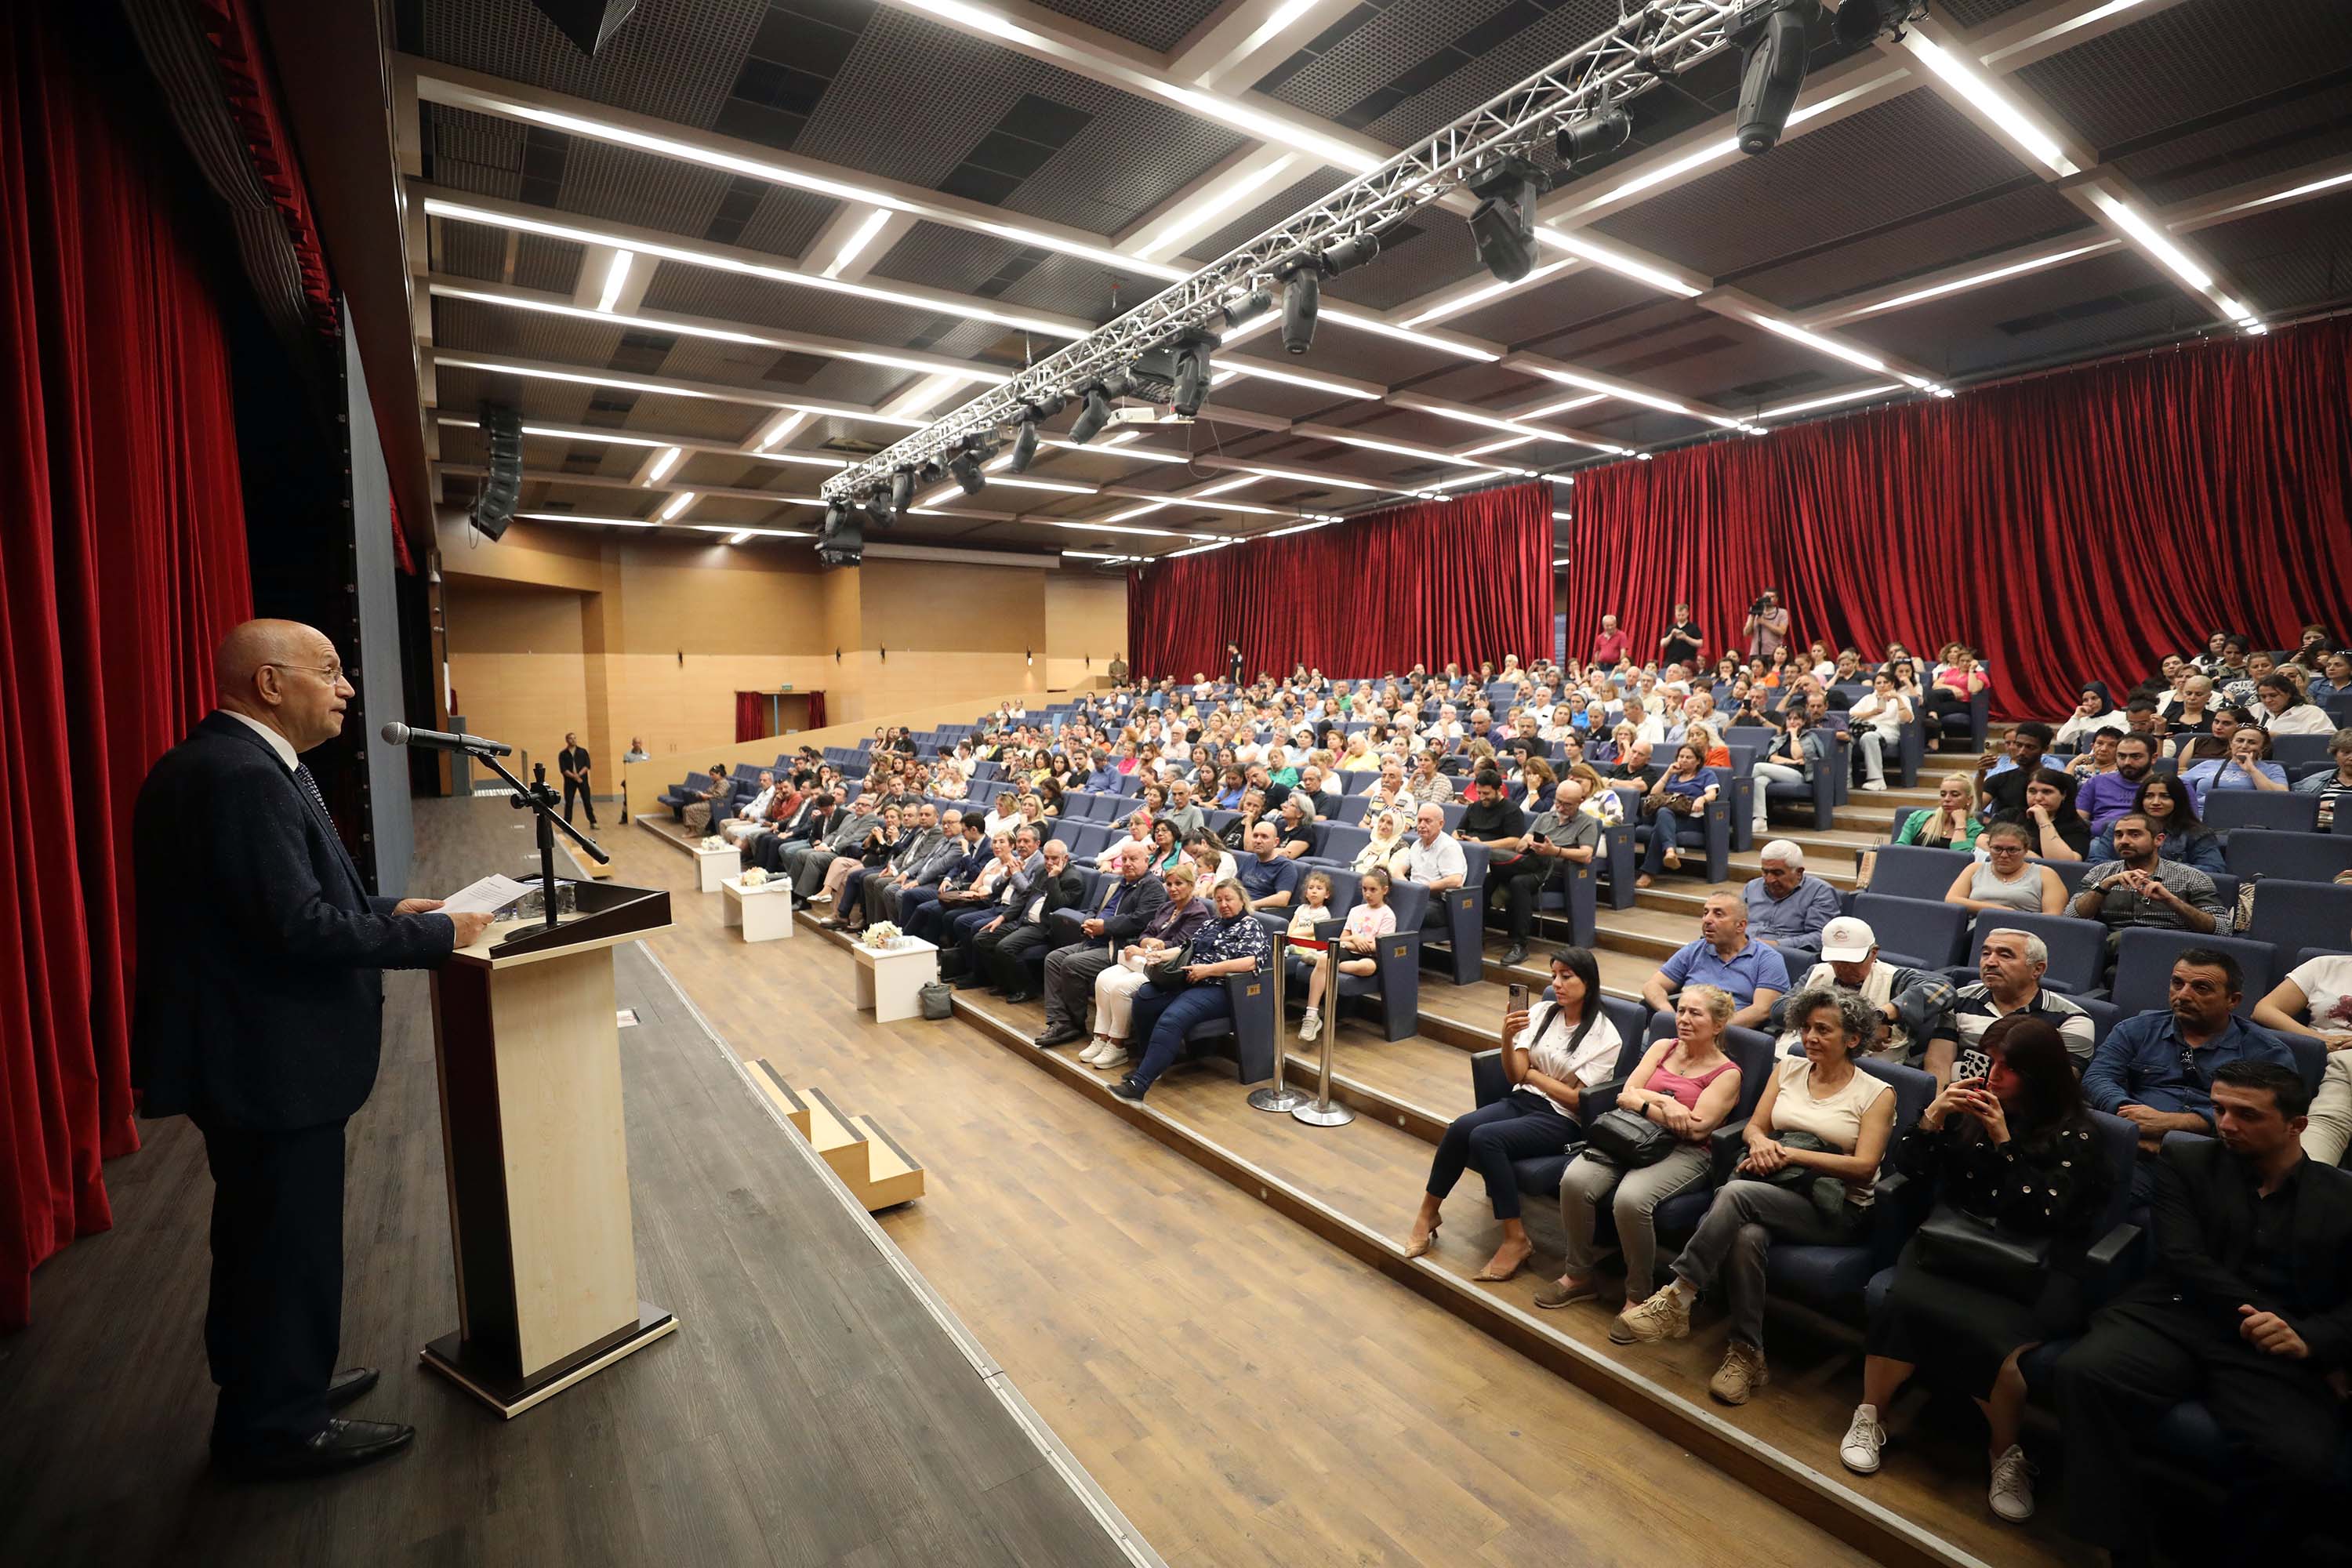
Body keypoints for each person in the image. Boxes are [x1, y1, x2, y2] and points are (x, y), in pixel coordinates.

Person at [132, 619, 497, 1479]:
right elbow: (291, 925)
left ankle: (275, 1386)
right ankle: (277, 1426)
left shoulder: (227, 764)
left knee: (264, 1238)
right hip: (269, 1061)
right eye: (329, 671)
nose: (346, 689)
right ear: (268, 682)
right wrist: (439, 935)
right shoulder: (240, 778)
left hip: (250, 1055)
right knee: (284, 1245)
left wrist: (388, 905)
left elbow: (281, 895)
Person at [2056, 1062, 2352, 1560]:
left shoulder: (2342, 1197)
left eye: (2246, 1114)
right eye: (2218, 1109)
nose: (2226, 1124)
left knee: (2303, 1463)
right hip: (2180, 1314)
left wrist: (2314, 1340)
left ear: (2296, 1124)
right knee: (2084, 1372)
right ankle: (2124, 1542)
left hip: (2272, 1350)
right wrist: (2274, 1318)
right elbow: (2184, 1260)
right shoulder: (2189, 1162)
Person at [1838, 1018, 2113, 1524]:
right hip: (1952, 1242)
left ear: (2040, 1074)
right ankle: (1871, 1413)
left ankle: (2005, 1453)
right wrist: (1933, 1118)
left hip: (2029, 1259)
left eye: (2010, 1067)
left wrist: (2004, 1140)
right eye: (1992, 1061)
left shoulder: (2077, 1132)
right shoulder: (1969, 1106)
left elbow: (2046, 1213)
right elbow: (1912, 1168)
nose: (1996, 1075)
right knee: (1901, 1302)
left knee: (1995, 1340)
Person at [1612, 986, 1895, 1406]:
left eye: (1824, 1030)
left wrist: (1787, 1152)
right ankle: (1748, 1354)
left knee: (1737, 1193)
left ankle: (1680, 1294)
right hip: (1780, 1190)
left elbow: (1865, 1166)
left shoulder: (1877, 1093)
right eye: (1807, 1027)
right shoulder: (1789, 1070)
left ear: (1853, 1039)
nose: (1811, 1037)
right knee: (1746, 1238)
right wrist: (1762, 1144)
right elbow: (1753, 1128)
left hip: (1838, 1209)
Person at [1404, 949, 1625, 1279]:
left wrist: (1534, 1075)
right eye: (1554, 976)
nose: (1557, 984)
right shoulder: (1540, 1011)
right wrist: (1507, 1038)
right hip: (1523, 1101)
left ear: (1588, 982)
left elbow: (1577, 1100)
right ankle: (1428, 1213)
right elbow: (1514, 1074)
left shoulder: (1605, 1035)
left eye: (1567, 976)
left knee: (1485, 1138)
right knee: (1461, 1128)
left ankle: (1515, 1238)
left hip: (1561, 1120)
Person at [1537, 985, 1744, 1312]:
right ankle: (1578, 1276)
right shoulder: (1662, 1046)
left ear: (1718, 1025)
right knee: (1575, 1180)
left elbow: (1695, 1128)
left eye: (1695, 1013)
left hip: (1686, 1152)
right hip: (1632, 1135)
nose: (1684, 1019)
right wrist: (1665, 1102)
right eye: (1681, 1011)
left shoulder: (1727, 1073)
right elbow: (1626, 1094)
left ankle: (1638, 1295)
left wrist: (1645, 1103)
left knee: (1631, 1200)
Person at [2085, 949, 2299, 1193]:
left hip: (2216, 1159)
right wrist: (2131, 1119)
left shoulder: (2265, 1051)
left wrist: (2175, 1125)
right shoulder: (2135, 1030)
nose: (2183, 995)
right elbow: (2097, 1077)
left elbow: (2268, 1115)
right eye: (2178, 983)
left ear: (2233, 1000)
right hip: (2134, 1146)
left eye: (2201, 988)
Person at [1109, 879, 1272, 1102]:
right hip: (1190, 980)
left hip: (1222, 989)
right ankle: (1151, 1065)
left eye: (1229, 899)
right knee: (1145, 998)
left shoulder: (1250, 925)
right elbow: (1186, 949)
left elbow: (1251, 962)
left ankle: (1139, 1084)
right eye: (1219, 900)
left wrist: (1209, 970)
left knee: (1172, 1018)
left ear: (1242, 900)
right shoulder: (1211, 924)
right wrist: (1158, 955)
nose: (1223, 904)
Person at [1076, 859, 1214, 1072]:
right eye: (1169, 884)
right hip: (1144, 961)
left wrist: (1145, 948)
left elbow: (1181, 945)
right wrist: (1147, 944)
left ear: (1191, 885)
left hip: (1166, 968)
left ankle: (1117, 1045)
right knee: (1104, 979)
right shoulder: (1167, 907)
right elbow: (1147, 933)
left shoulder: (1198, 912)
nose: (1173, 889)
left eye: (1179, 884)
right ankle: (1101, 1038)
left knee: (1121, 989)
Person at [1767, 916, 1953, 1067]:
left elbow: (1944, 990)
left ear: (1874, 953)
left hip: (1866, 1069)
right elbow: (1778, 1010)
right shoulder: (1818, 972)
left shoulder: (1894, 978)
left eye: (1852, 961)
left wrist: (1881, 1017)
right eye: (1836, 960)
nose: (1843, 968)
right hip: (1802, 1058)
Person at [1930, 927, 2096, 1080]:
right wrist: (1938, 1106)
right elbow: (1939, 1062)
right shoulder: (1959, 999)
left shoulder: (2072, 1019)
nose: (1990, 962)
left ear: (2037, 969)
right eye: (1986, 953)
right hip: (1954, 1099)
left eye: (2005, 955)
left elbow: (2058, 1086)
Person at [2067, 813, 2228, 957]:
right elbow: (2071, 917)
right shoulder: (2100, 873)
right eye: (2118, 835)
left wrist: (2172, 901)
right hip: (2112, 954)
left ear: (2159, 840)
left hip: (2172, 951)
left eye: (2134, 835)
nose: (2124, 841)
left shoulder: (2192, 877)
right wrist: (2104, 886)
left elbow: (2222, 930)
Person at [1489, 778, 1602, 967]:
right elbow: (1520, 844)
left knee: (1515, 879)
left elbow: (1587, 856)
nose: (1560, 807)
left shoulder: (1587, 822)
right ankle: (1476, 932)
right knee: (1491, 879)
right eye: (1558, 801)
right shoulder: (1544, 817)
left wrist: (1555, 851)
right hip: (1532, 863)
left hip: (1557, 874)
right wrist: (1527, 844)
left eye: (1567, 804)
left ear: (1580, 802)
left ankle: (1520, 946)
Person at [1642, 890, 1788, 1030]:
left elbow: (1761, 1010)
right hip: (1683, 1028)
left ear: (1740, 926)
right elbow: (1652, 985)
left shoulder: (1768, 959)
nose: (1707, 920)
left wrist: (1711, 1029)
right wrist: (1670, 1015)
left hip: (1730, 1037)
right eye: (1706, 913)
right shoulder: (1694, 950)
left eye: (1718, 914)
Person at [1297, 868, 1397, 1044]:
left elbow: (1378, 946)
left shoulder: (1387, 915)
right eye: (1365, 889)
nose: (1368, 894)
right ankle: (1312, 1016)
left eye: (1373, 890)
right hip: (1350, 950)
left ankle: (1322, 963)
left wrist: (1360, 943)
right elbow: (1343, 938)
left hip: (1370, 957)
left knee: (1366, 967)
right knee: (1325, 959)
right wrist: (1356, 939)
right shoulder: (1356, 911)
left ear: (1385, 890)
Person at [2085, 774, 2223, 873]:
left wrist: (2155, 869)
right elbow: (2095, 862)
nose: (2156, 802)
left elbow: (2214, 870)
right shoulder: (2119, 827)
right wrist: (2133, 871)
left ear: (2178, 800)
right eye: (2149, 796)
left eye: (2165, 796)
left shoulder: (2197, 833)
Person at [1632, 742, 1719, 888]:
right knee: (1664, 813)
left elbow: (1712, 794)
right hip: (1669, 817)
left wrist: (1702, 798)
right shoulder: (1674, 775)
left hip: (1692, 819)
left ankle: (1650, 872)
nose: (1683, 760)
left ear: (1698, 760)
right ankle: (1669, 852)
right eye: (1681, 756)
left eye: (1688, 757)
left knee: (1659, 824)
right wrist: (1668, 774)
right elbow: (1654, 794)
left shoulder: (1707, 774)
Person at [1943, 821, 2066, 915]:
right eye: (1997, 849)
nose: (2004, 855)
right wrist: (2002, 911)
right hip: (1978, 928)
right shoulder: (1975, 869)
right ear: (1989, 847)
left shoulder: (2046, 874)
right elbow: (1952, 900)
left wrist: (2012, 917)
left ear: (2026, 850)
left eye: (2012, 850)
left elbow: (2053, 916)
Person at [1741, 840, 1840, 956]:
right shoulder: (1752, 887)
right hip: (1741, 950)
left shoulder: (1820, 892)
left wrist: (1775, 944)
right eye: (1765, 872)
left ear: (1799, 872)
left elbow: (1821, 937)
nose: (1769, 879)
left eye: (1777, 873)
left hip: (1785, 956)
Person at [1751, 710, 1827, 837]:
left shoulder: (1809, 737)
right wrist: (1793, 761)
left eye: (1796, 719)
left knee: (1758, 767)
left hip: (1798, 775)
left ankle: (1735, 794)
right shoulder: (1779, 738)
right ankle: (1760, 820)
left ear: (1803, 722)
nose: (1792, 722)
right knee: (1759, 781)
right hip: (1778, 771)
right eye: (1789, 719)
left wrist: (1794, 736)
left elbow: (1798, 754)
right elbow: (1772, 758)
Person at [1990, 768, 2090, 864]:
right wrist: (2026, 855)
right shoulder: (2011, 815)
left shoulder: (2077, 826)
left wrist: (2043, 821)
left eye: (2047, 792)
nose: (2038, 798)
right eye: (2032, 791)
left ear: (2063, 794)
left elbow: (2065, 864)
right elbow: (1982, 840)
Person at [2180, 723, 2288, 809]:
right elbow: (2175, 787)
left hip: (2245, 820)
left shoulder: (2272, 769)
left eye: (2252, 742)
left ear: (2262, 748)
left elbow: (2281, 797)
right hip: (2200, 818)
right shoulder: (2208, 765)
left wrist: (2252, 770)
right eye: (2240, 740)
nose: (2244, 746)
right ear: (2231, 744)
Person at [1848, 671, 1911, 793]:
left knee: (1869, 737)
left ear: (1892, 684)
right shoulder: (1868, 698)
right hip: (1866, 727)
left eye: (1885, 682)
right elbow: (1851, 714)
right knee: (1845, 738)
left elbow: (1907, 719)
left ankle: (1877, 780)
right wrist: (1871, 713)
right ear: (1874, 685)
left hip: (1889, 731)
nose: (1882, 685)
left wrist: (1897, 699)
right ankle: (1846, 780)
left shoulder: (1902, 698)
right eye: (1878, 683)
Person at [1891, 772, 1984, 851]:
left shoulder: (1975, 829)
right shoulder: (1917, 817)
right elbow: (1899, 849)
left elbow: (1961, 859)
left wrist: (1960, 824)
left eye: (1955, 795)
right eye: (1943, 794)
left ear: (1969, 800)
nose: (1947, 799)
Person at [2292, 726, 2352, 829]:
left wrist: (2330, 805)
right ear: (2335, 755)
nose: (2351, 758)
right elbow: (2297, 812)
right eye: (2346, 752)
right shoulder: (2311, 783)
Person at [556, 731, 599, 826]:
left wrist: (579, 775)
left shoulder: (582, 752)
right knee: (569, 803)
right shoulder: (563, 754)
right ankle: (567, 824)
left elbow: (587, 765)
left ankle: (593, 821)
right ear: (567, 740)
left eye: (575, 738)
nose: (573, 740)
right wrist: (574, 777)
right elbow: (563, 769)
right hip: (570, 782)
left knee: (587, 801)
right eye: (571, 738)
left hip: (582, 780)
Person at [1743, 590, 1789, 659]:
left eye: (1772, 597)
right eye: (1767, 597)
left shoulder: (1782, 612)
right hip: (1755, 652)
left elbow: (1782, 631)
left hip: (1773, 653)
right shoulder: (1756, 610)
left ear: (1776, 599)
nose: (1769, 599)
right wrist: (1752, 617)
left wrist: (1764, 622)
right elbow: (1746, 633)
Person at [1659, 603, 1704, 673]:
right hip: (1671, 661)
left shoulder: (1693, 627)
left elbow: (1700, 643)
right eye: (1678, 615)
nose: (1680, 617)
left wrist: (1686, 638)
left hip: (1688, 661)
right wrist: (1671, 635)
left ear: (1688, 614)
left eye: (1683, 615)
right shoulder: (1671, 628)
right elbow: (1662, 644)